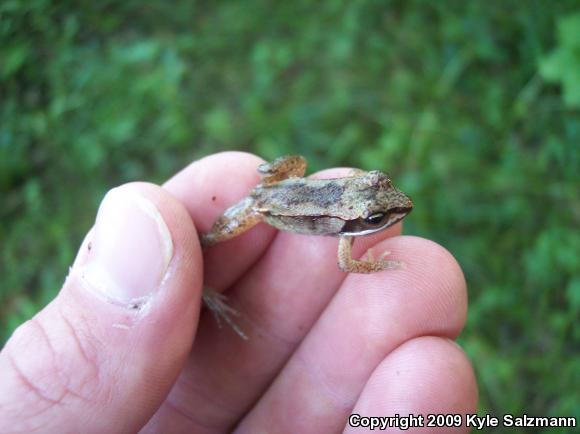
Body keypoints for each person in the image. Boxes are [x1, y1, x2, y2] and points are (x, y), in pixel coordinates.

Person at [0, 152, 477, 433]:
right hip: (267, 208)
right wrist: (376, 261)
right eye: (376, 219)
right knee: (203, 243)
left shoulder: (349, 215)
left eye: (379, 206)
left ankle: (192, 270)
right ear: (357, 220)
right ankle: (190, 277)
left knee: (287, 172)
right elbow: (348, 260)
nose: (394, 211)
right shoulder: (346, 237)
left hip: (289, 184)